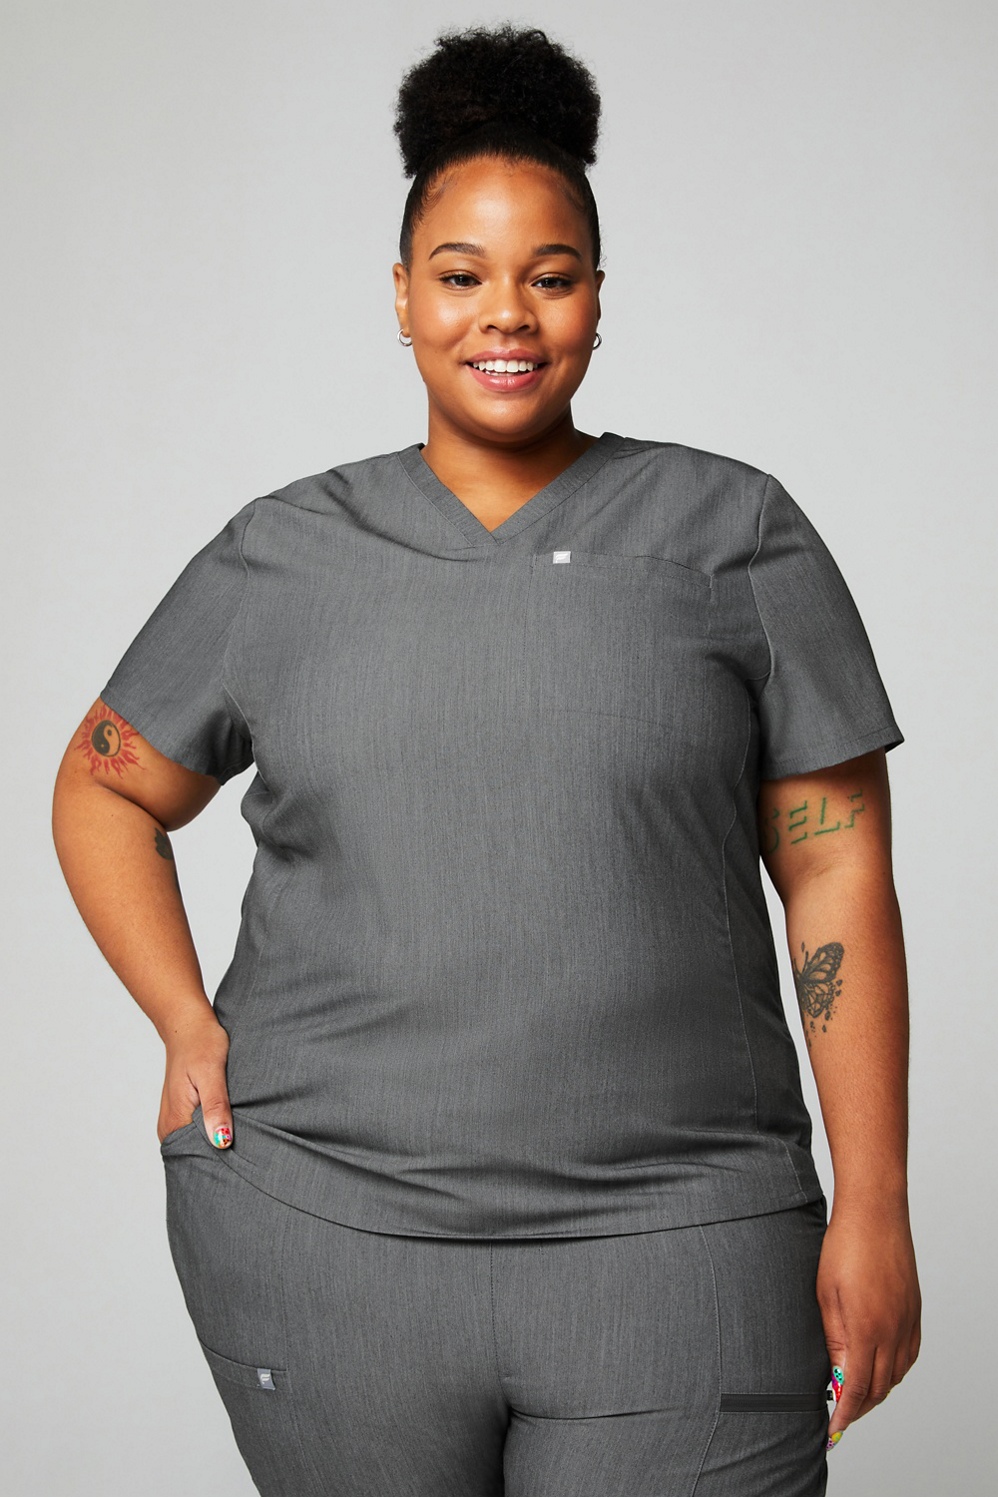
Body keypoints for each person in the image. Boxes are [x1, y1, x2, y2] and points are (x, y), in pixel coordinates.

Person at [51, 23, 921, 1498]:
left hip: (682, 1237)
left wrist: (876, 1204)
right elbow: (102, 783)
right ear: (400, 296)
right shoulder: (285, 555)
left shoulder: (735, 536)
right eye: (459, 276)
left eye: (550, 275)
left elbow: (837, 873)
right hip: (323, 1231)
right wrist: (183, 1021)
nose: (504, 314)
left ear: (598, 295)